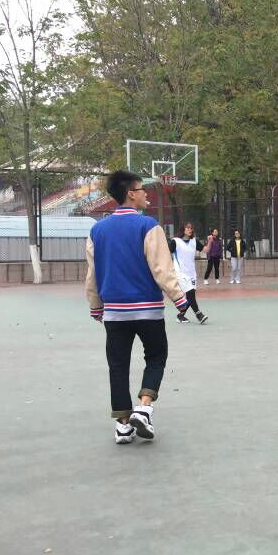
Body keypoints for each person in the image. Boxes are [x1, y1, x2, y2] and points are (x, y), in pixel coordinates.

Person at [85, 171, 189, 444]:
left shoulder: (97, 231)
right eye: (142, 190)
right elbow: (162, 268)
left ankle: (122, 425)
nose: (146, 194)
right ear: (131, 194)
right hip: (148, 310)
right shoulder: (148, 226)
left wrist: (95, 306)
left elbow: (93, 274)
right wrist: (179, 298)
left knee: (117, 365)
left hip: (114, 312)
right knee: (156, 356)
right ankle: (143, 408)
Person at [169, 222, 208, 325]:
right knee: (190, 293)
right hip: (180, 272)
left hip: (191, 273)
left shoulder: (194, 241)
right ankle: (199, 315)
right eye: (188, 228)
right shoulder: (175, 241)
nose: (190, 230)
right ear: (183, 229)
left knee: (190, 297)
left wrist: (211, 241)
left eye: (191, 228)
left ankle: (180, 315)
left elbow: (206, 250)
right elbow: (167, 254)